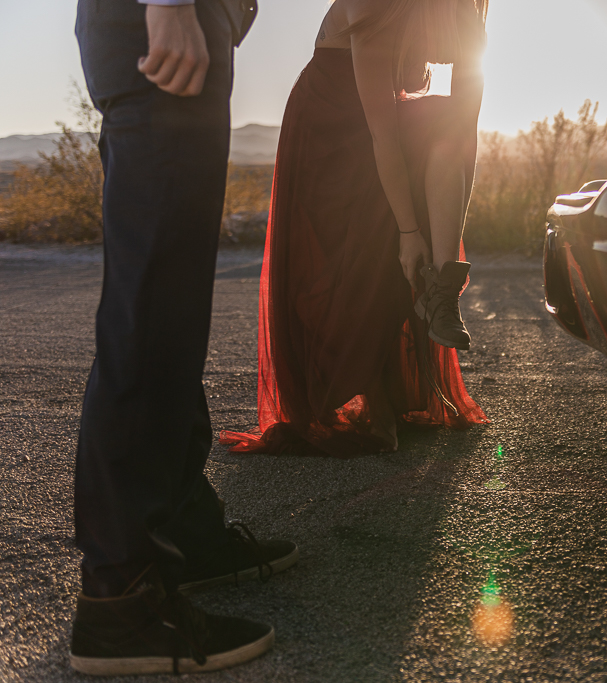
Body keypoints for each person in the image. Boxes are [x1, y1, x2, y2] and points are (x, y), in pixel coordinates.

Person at [71, 0, 298, 675]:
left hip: (188, 25)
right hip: (161, 23)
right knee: (150, 312)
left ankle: (179, 527)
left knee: (171, 308)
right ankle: (121, 598)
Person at [219, 0, 489, 458]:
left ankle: (440, 292)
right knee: (361, 254)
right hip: (330, 129)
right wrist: (409, 234)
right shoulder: (377, 6)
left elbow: (468, 131)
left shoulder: (461, 11)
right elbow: (381, 135)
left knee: (452, 130)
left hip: (381, 123)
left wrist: (440, 242)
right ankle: (371, 395)